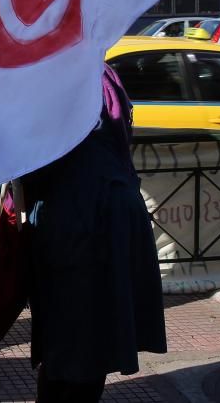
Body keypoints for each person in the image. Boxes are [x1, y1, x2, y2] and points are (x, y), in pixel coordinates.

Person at [22, 65, 167, 402]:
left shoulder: (56, 77)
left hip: (80, 219)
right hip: (104, 209)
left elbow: (36, 159)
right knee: (89, 338)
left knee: (74, 340)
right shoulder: (98, 72)